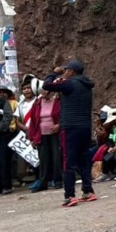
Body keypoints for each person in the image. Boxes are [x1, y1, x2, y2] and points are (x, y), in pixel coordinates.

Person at [43, 58, 97, 207]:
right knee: (84, 160)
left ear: (71, 71)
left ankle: (70, 195)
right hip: (85, 126)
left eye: (66, 70)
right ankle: (88, 191)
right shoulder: (87, 85)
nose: (64, 72)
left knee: (68, 162)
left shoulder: (69, 84)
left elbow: (46, 85)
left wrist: (54, 73)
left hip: (70, 127)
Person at [27, 86, 62, 192]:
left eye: (46, 90)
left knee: (56, 157)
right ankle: (43, 183)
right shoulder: (37, 103)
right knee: (43, 159)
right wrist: (32, 138)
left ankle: (58, 181)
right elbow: (33, 121)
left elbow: (63, 116)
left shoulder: (57, 102)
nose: (44, 92)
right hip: (41, 134)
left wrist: (59, 125)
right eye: (42, 90)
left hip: (55, 134)